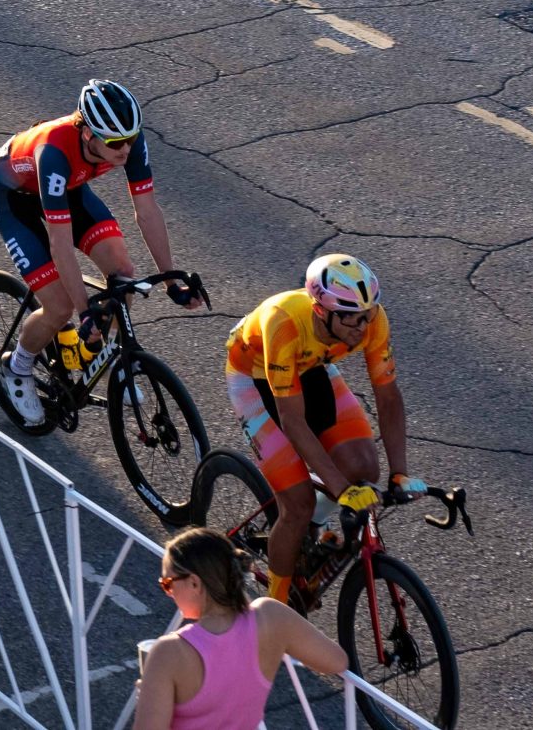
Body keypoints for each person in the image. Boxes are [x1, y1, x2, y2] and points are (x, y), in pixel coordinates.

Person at [0, 81, 203, 428]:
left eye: (131, 139)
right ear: (88, 134)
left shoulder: (127, 140)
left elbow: (146, 211)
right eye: (116, 143)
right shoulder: (55, 153)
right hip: (14, 199)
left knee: (123, 275)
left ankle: (100, 358)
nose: (126, 149)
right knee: (60, 307)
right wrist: (85, 311)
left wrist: (171, 279)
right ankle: (17, 366)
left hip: (68, 189)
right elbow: (59, 244)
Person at [223, 255, 417, 607]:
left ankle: (308, 537)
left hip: (311, 364)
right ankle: (276, 611)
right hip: (254, 376)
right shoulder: (284, 321)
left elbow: (388, 398)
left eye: (368, 313)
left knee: (363, 468)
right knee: (297, 505)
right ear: (320, 311)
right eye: (352, 317)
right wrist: (342, 490)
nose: (363, 326)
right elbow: (292, 421)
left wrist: (400, 473)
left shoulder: (372, 320)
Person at [133, 528, 344, 730]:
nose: (168, 593)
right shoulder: (272, 616)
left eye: (168, 584)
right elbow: (337, 661)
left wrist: (150, 697)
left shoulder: (169, 653)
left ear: (195, 584)